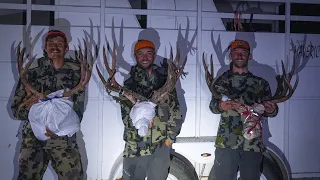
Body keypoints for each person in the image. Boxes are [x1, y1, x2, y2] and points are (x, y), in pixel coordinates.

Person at [11, 30, 86, 180]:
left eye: (59, 43)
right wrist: (29, 103)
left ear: (66, 48)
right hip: (33, 139)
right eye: (50, 44)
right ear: (45, 48)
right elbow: (16, 111)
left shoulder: (77, 74)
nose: (54, 47)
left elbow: (77, 110)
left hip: (63, 139)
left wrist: (58, 128)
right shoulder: (31, 73)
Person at [209, 39, 278, 179]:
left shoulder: (260, 83)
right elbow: (213, 106)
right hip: (227, 142)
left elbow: (271, 110)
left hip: (252, 143)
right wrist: (220, 106)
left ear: (249, 56)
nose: (240, 56)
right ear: (231, 56)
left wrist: (272, 110)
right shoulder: (221, 81)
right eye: (236, 53)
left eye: (243, 53)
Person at [120, 40, 182, 180]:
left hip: (160, 147)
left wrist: (169, 140)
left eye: (149, 53)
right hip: (135, 147)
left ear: (154, 55)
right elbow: (125, 118)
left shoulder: (166, 82)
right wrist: (142, 120)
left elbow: (176, 112)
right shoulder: (129, 86)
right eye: (140, 54)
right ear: (135, 57)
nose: (145, 57)